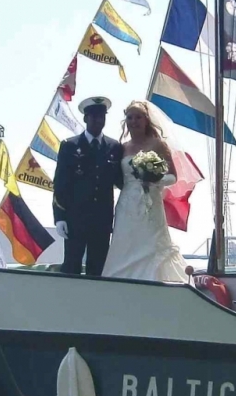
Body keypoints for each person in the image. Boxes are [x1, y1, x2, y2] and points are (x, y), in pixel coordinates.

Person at [101, 100, 190, 283]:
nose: (134, 121)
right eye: (130, 117)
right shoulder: (122, 147)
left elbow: (173, 176)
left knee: (151, 244)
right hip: (127, 204)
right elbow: (118, 179)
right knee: (124, 244)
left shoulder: (158, 144)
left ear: (146, 120)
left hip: (151, 204)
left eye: (138, 117)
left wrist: (154, 179)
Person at [53, 96, 123, 276]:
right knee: (71, 265)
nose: (98, 120)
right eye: (93, 116)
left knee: (98, 267)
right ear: (85, 118)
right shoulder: (70, 145)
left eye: (101, 116)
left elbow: (121, 181)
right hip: (75, 217)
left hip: (102, 219)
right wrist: (59, 217)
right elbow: (60, 183)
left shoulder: (114, 147)